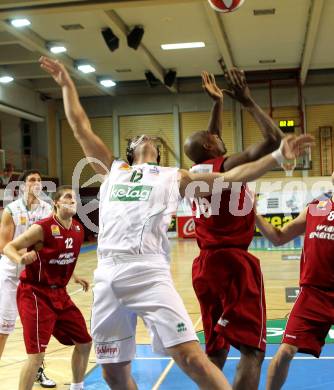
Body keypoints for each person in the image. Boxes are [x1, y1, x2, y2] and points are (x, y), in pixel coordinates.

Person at [39, 55, 313, 390]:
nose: (147, 138)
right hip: (107, 274)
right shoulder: (113, 170)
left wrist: (276, 157)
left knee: (192, 358)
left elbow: (230, 177)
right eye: (140, 138)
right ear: (130, 150)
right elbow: (80, 126)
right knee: (113, 373)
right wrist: (67, 85)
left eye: (151, 139)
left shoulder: (174, 176)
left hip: (149, 271)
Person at [183, 69, 286, 390]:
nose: (217, 135)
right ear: (212, 147)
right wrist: (247, 101)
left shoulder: (195, 171)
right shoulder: (224, 167)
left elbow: (210, 139)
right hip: (233, 265)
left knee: (216, 350)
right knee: (253, 350)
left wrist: (217, 103)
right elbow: (273, 141)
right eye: (214, 137)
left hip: (204, 268)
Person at [3, 185, 92, 390]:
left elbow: (63, 257)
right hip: (35, 294)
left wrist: (75, 276)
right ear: (56, 203)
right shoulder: (42, 228)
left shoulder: (78, 229)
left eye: (74, 198)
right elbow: (9, 247)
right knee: (36, 357)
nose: (72, 201)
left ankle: (77, 387)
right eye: (67, 197)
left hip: (60, 293)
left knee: (85, 343)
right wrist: (21, 259)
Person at [255, 175, 334, 390]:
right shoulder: (317, 208)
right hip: (313, 295)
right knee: (285, 351)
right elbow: (278, 237)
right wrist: (253, 212)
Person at [0, 169, 57, 388]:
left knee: (37, 329)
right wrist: (24, 256)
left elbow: (51, 241)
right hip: (11, 275)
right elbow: (4, 246)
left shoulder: (49, 209)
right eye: (32, 180)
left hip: (35, 278)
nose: (36, 183)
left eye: (39, 180)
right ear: (23, 185)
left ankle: (38, 371)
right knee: (3, 328)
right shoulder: (11, 210)